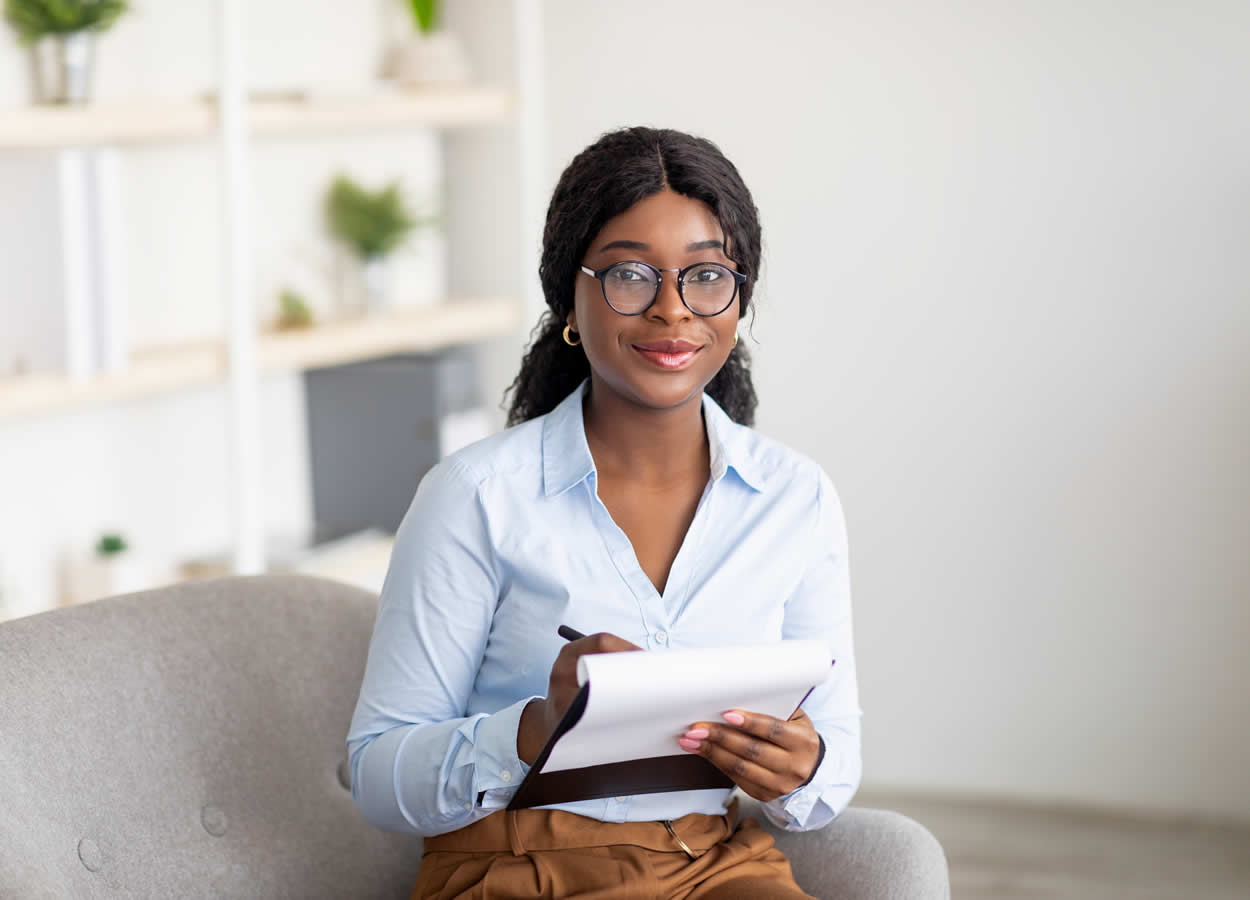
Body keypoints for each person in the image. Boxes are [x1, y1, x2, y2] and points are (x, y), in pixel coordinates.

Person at [346, 126, 862, 899]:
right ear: (571, 299)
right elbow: (377, 775)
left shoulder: (796, 498)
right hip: (512, 867)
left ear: (739, 297)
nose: (672, 311)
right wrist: (532, 729)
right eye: (629, 275)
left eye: (707, 277)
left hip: (712, 865)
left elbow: (835, 763)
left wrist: (802, 769)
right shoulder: (475, 497)